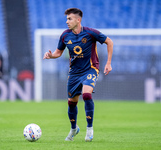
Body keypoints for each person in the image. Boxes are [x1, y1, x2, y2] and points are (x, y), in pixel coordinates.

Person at [43, 8, 113, 142]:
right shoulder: (65, 35)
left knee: (87, 95)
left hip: (90, 69)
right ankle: (74, 129)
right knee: (71, 103)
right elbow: (58, 52)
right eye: (67, 19)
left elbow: (109, 41)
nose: (67, 21)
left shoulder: (91, 33)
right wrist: (51, 56)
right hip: (74, 73)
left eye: (69, 19)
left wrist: (108, 63)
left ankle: (90, 129)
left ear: (78, 20)